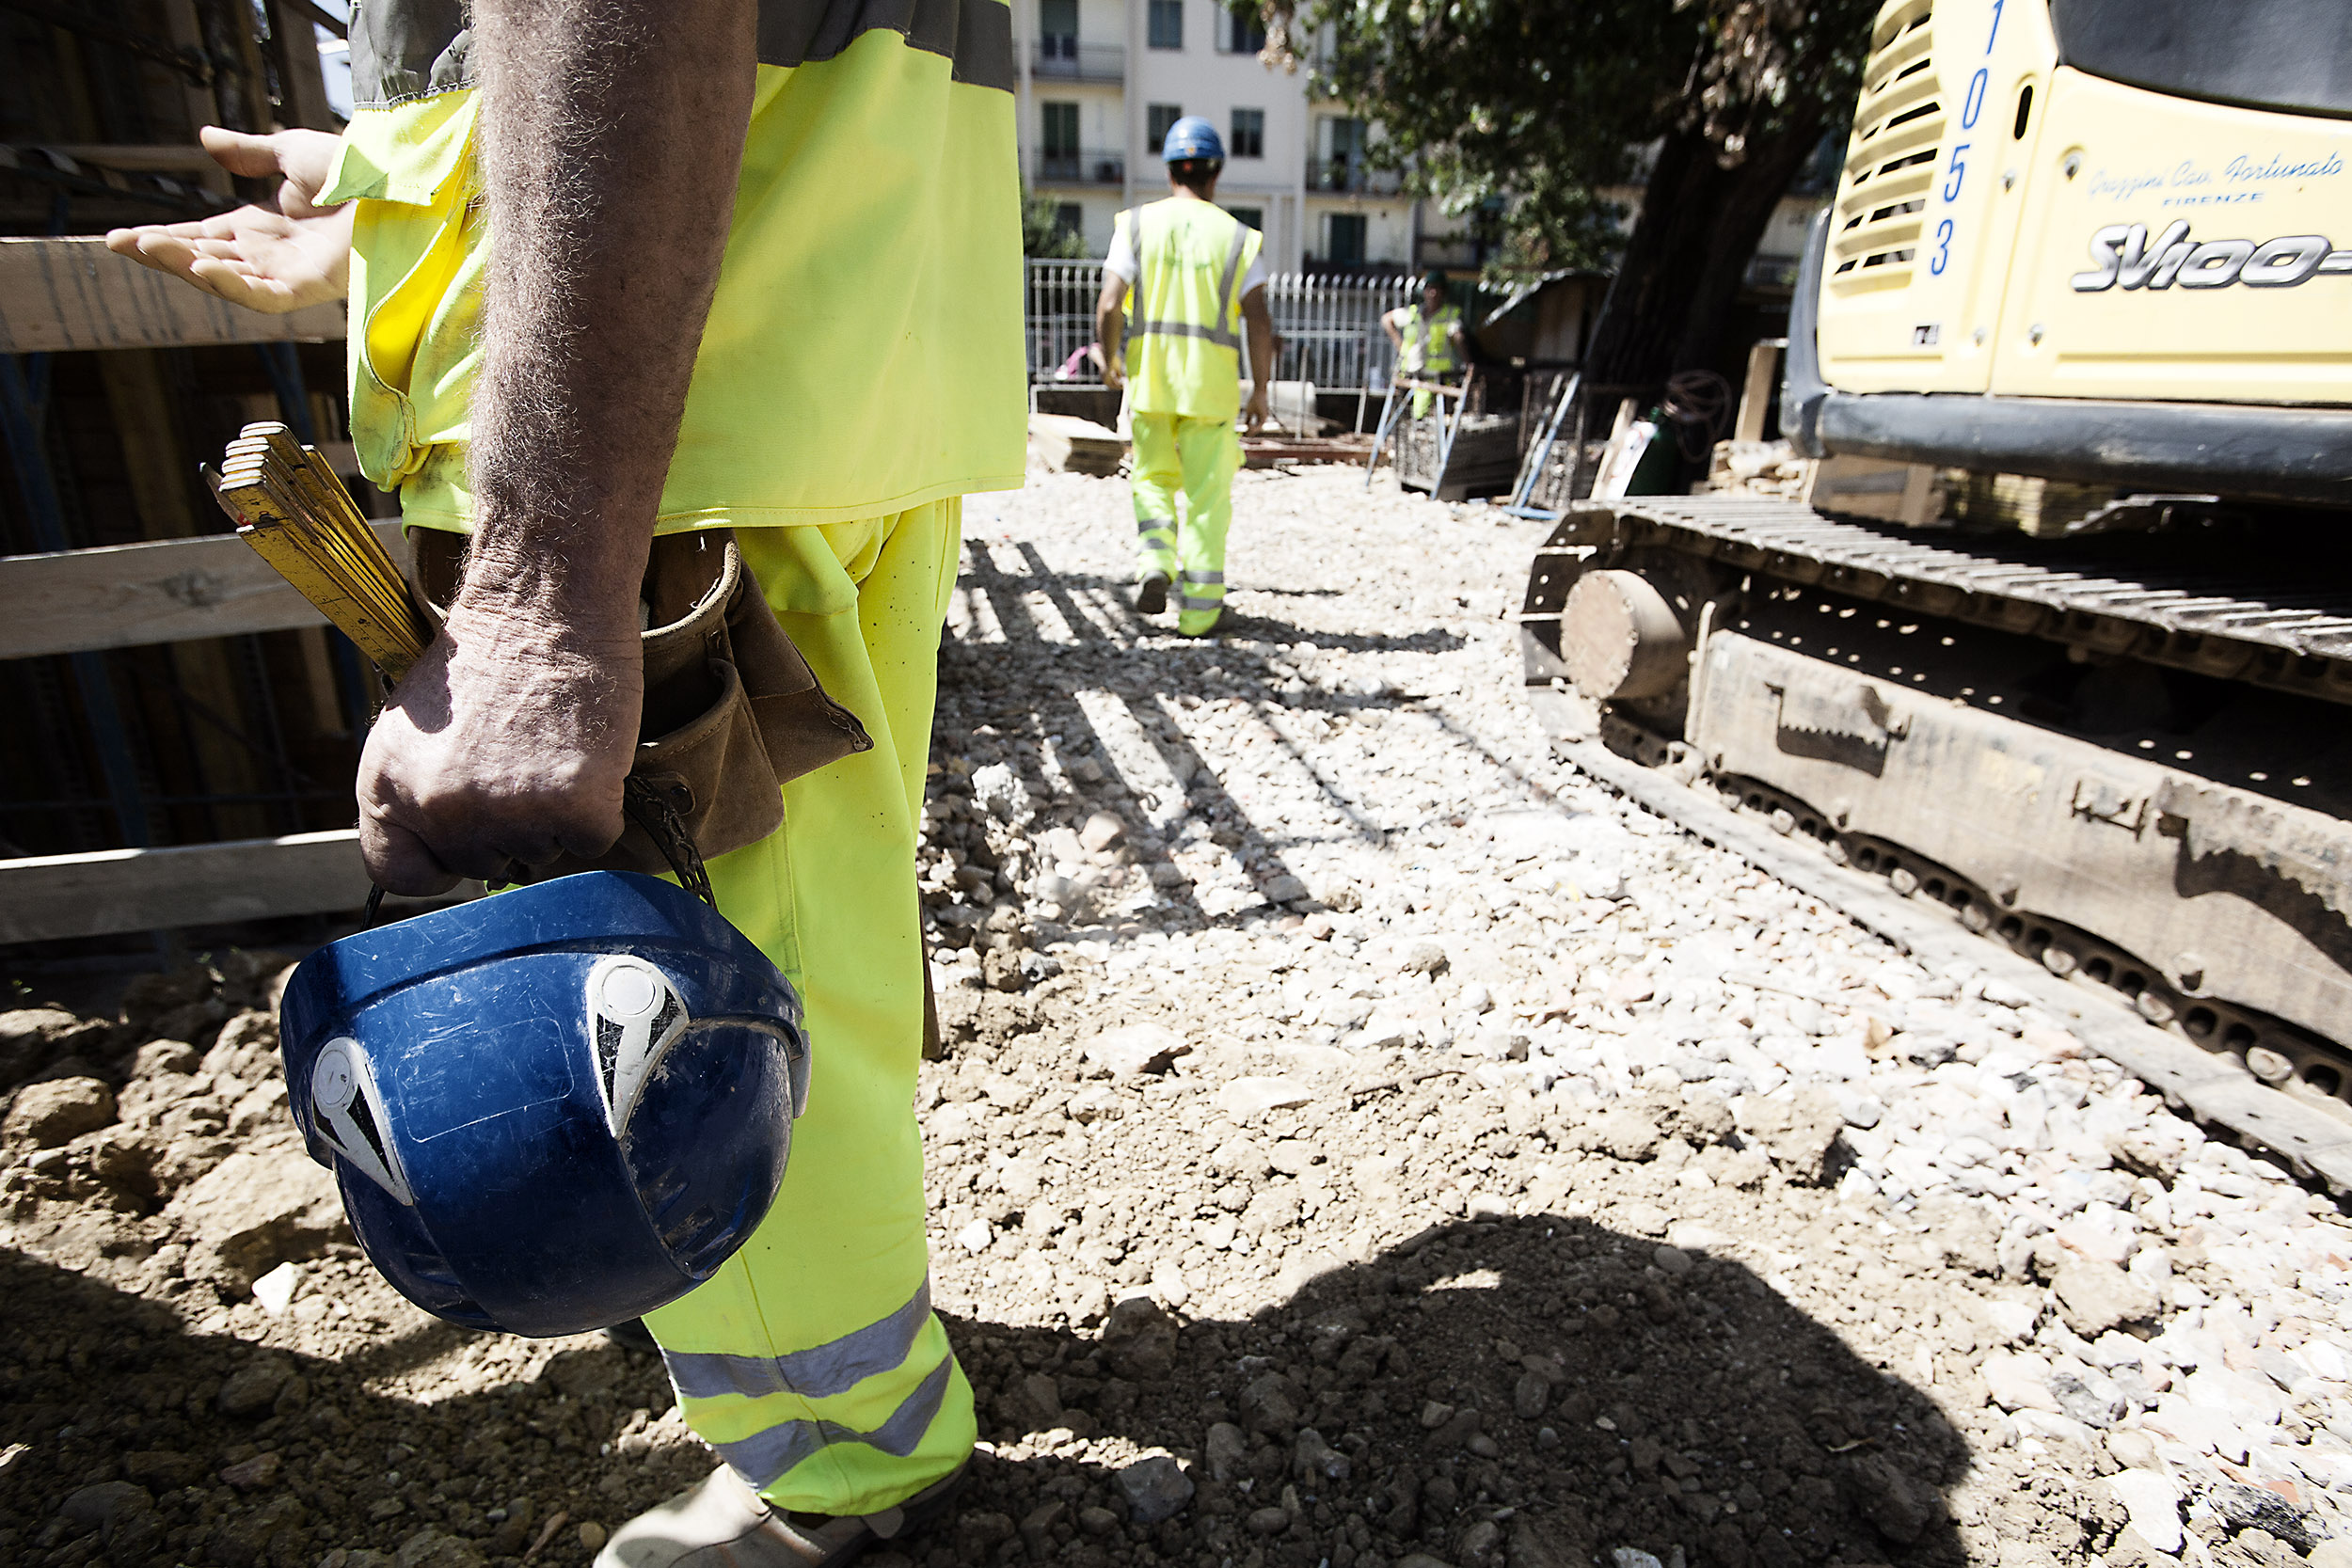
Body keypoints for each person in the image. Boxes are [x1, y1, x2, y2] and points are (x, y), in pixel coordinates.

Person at [107, 2, 1024, 1563]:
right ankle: (834, 1374)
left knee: (681, 989)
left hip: (665, 414)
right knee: (809, 930)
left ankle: (837, 1449)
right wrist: (404, 168)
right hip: (841, 323)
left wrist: (545, 593)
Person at [1095, 116, 1276, 638]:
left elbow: (1109, 303)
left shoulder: (1135, 225)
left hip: (1151, 385)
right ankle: (1199, 615)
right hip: (1211, 393)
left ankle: (1155, 560)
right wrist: (1261, 388)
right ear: (1215, 173)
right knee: (1206, 500)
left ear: (1171, 168)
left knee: (1151, 482)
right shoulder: (1239, 237)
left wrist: (1111, 360)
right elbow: (1260, 321)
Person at [1383, 274, 1468, 418]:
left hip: (1439, 376)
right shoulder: (1413, 313)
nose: (1433, 293)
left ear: (1444, 292)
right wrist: (1400, 345)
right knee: (1408, 417)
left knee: (1437, 416)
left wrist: (1467, 363)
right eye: (1430, 288)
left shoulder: (1450, 314)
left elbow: (1459, 337)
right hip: (1412, 371)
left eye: (1438, 289)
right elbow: (1386, 319)